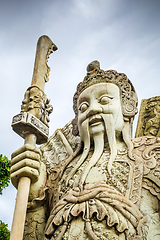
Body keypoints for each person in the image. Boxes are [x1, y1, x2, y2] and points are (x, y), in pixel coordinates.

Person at [11, 61, 160, 240]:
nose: (92, 110)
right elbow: (36, 235)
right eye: (83, 107)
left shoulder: (150, 155)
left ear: (127, 107)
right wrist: (34, 196)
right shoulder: (58, 174)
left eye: (104, 100)